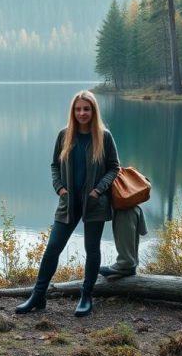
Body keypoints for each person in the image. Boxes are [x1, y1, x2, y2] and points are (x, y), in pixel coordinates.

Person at [15, 90, 119, 317]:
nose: (82, 113)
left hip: (94, 202)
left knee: (91, 249)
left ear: (93, 111)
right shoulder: (65, 135)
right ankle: (38, 295)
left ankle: (86, 295)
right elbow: (54, 165)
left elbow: (114, 168)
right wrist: (60, 189)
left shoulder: (104, 136)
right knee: (53, 248)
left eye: (87, 109)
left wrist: (98, 190)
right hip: (68, 202)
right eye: (78, 109)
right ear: (73, 111)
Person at [100, 205, 147, 278]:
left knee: (125, 210)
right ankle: (129, 264)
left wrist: (98, 192)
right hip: (128, 203)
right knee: (127, 207)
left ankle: (126, 265)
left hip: (125, 205)